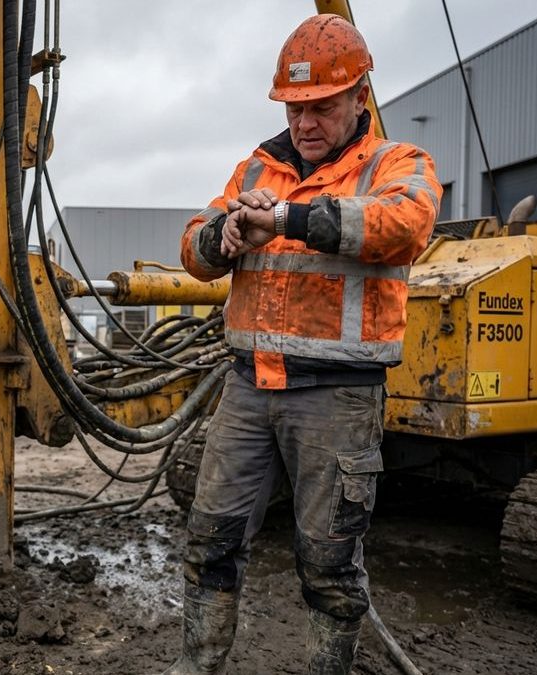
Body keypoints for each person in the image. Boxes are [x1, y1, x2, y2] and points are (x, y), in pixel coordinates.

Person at [166, 14, 442, 675]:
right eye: (294, 109)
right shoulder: (259, 166)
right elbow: (195, 246)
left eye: (320, 107)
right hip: (248, 390)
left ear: (359, 98)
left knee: (329, 567)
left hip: (336, 397)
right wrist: (221, 238)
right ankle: (195, 665)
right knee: (210, 541)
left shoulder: (396, 164)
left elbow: (403, 222)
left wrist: (287, 219)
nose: (304, 124)